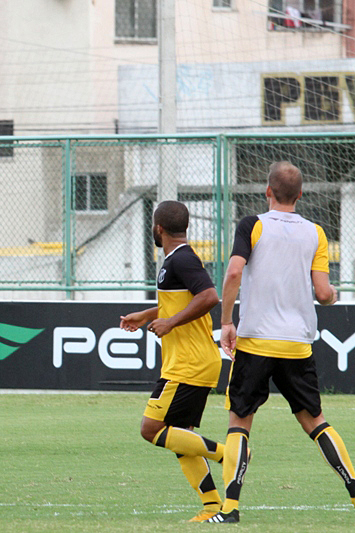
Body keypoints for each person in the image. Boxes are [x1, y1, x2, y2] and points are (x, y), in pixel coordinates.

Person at [208, 162, 355, 524]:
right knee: (316, 421)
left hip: (256, 341)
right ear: (300, 195)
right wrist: (333, 295)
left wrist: (227, 321)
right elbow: (323, 292)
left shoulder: (252, 225)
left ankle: (230, 508)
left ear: (267, 191)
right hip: (297, 345)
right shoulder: (315, 233)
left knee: (240, 422)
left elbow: (234, 272)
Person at [120, 200, 225, 522]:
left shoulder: (182, 259)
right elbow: (184, 301)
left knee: (151, 429)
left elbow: (209, 296)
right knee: (181, 436)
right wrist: (150, 314)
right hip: (190, 362)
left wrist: (169, 323)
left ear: (158, 228)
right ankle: (211, 506)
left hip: (189, 364)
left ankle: (231, 453)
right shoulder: (175, 261)